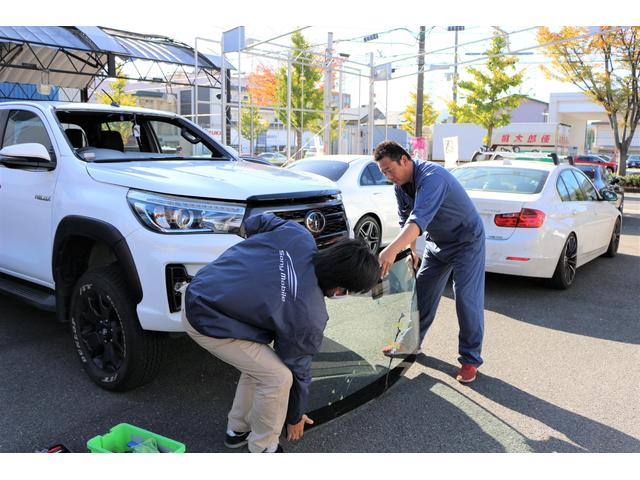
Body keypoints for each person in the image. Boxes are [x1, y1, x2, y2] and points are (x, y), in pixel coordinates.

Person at [182, 213, 380, 452]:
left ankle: (238, 430)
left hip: (201, 287)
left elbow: (258, 221)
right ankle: (263, 447)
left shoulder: (298, 236)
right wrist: (295, 417)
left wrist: (257, 255)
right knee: (278, 378)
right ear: (341, 287)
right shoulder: (309, 315)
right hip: (206, 319)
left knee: (264, 366)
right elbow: (298, 370)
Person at [374, 140, 485, 383]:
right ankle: (410, 343)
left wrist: (391, 250)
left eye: (389, 169)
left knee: (466, 296)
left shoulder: (433, 177)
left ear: (404, 159)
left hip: (467, 241)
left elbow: (418, 220)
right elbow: (407, 222)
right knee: (422, 292)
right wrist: (411, 251)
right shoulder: (400, 186)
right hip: (438, 244)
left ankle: (469, 359)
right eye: (383, 173)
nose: (387, 176)